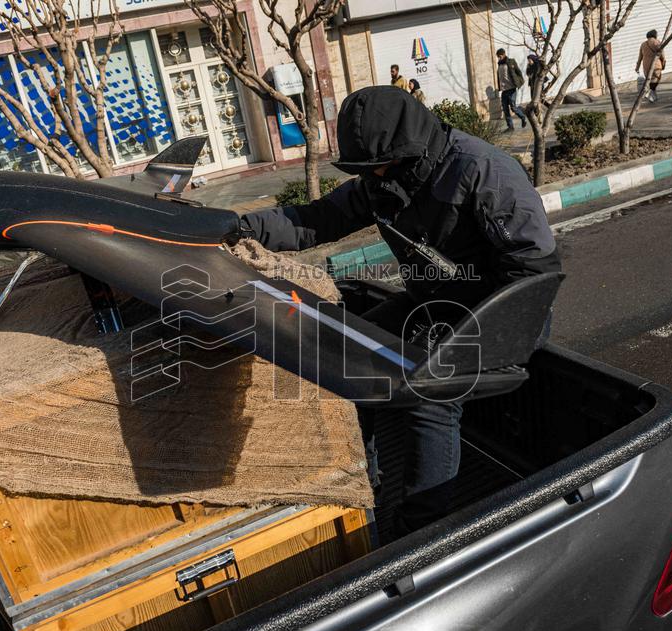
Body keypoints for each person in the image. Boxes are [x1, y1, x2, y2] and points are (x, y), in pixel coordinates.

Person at [236, 87, 561, 533]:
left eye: (378, 166)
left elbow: (534, 272)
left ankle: (421, 534)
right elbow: (318, 220)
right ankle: (360, 482)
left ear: (408, 150)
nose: (372, 177)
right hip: (436, 303)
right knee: (343, 352)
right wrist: (239, 229)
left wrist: (458, 338)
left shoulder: (483, 172)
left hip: (506, 313)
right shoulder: (386, 180)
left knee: (431, 396)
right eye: (365, 171)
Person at [496, 49, 527, 131]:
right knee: (505, 109)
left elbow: (518, 72)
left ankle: (523, 117)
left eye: (500, 56)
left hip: (511, 89)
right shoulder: (499, 64)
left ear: (504, 54)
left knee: (513, 108)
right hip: (504, 90)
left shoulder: (511, 61)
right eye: (498, 57)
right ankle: (510, 127)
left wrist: (520, 82)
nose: (499, 58)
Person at [636, 30, 666, 103]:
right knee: (656, 80)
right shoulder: (657, 43)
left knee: (649, 80)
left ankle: (653, 97)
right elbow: (662, 55)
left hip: (646, 66)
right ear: (655, 35)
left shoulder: (643, 44)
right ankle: (649, 93)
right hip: (656, 65)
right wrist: (664, 63)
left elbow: (640, 57)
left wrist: (637, 67)